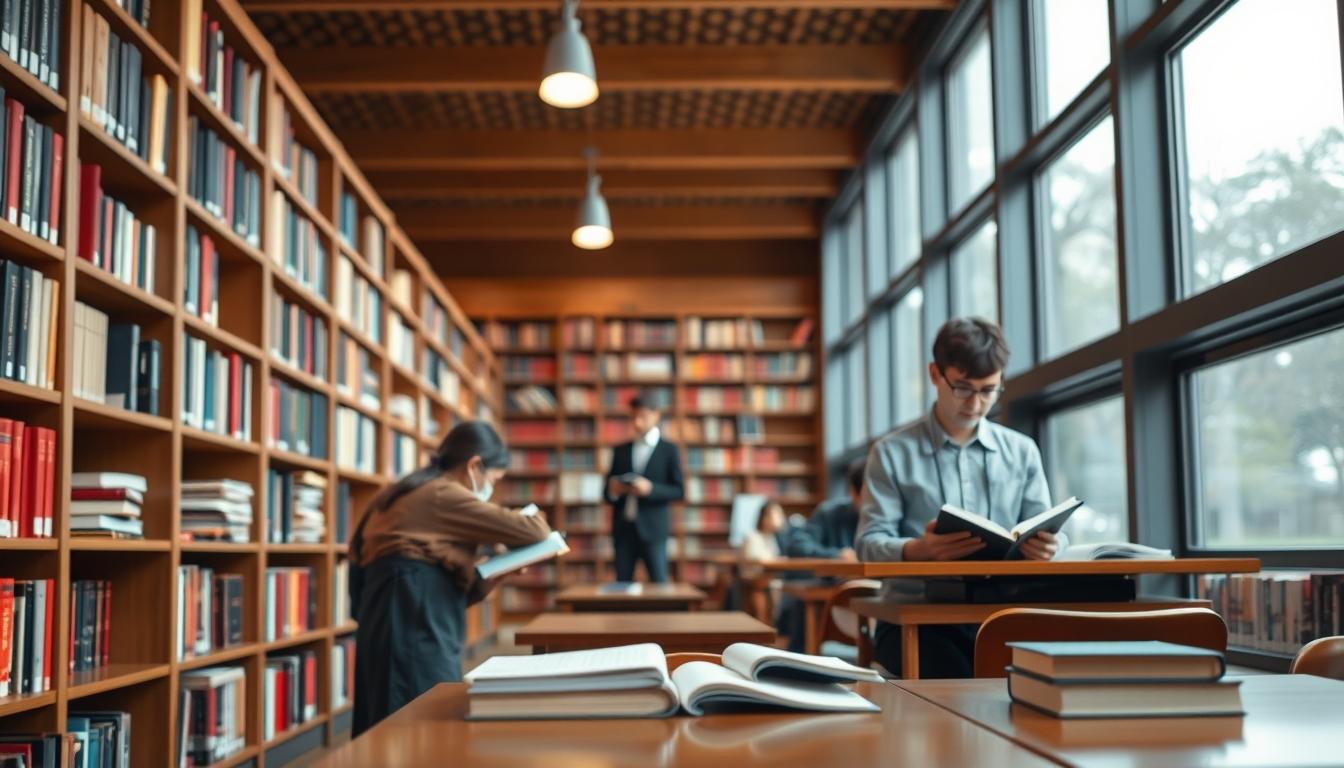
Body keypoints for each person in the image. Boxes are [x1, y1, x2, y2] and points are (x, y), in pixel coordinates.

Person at [855, 317, 1065, 678]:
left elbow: (1045, 530)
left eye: (989, 390)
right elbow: (868, 543)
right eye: (964, 388)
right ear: (935, 374)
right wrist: (919, 551)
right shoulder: (890, 453)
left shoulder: (1022, 452)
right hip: (917, 617)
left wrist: (1050, 547)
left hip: (1003, 615)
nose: (977, 403)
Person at [348, 421, 551, 736]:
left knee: (407, 716)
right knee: (419, 714)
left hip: (402, 609)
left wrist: (496, 574)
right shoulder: (442, 493)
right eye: (493, 480)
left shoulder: (412, 489)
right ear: (474, 466)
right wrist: (534, 514)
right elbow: (535, 531)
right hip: (409, 616)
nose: (490, 491)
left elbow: (434, 571)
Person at [604, 394, 685, 582]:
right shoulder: (620, 450)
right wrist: (614, 490)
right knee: (622, 585)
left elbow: (679, 490)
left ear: (656, 415)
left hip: (654, 530)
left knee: (659, 584)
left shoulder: (669, 450)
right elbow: (606, 492)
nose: (637, 422)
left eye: (643, 416)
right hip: (623, 530)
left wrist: (650, 489)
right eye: (633, 417)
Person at [784, 457, 865, 561]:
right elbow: (797, 547)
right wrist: (837, 555)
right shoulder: (828, 512)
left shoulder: (890, 516)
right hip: (837, 576)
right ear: (853, 492)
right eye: (868, 496)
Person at [738, 499, 787, 622]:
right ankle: (765, 621)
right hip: (754, 577)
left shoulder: (773, 537)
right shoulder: (752, 536)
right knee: (768, 586)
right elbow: (757, 560)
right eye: (776, 515)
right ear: (764, 517)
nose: (780, 519)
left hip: (770, 576)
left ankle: (775, 622)